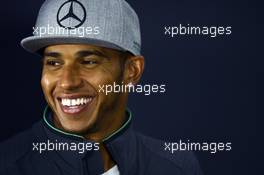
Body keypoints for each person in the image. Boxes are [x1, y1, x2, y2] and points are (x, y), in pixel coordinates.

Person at [0, 0, 203, 174]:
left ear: (132, 70)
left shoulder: (176, 167)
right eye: (54, 63)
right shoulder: (7, 165)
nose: (67, 82)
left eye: (89, 61)